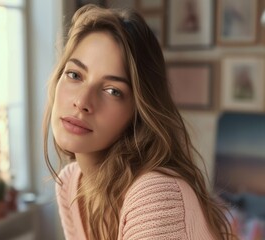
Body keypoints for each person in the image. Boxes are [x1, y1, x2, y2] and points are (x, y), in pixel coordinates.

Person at [43, 4, 235, 240]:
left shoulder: (155, 195)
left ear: (139, 112)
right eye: (74, 75)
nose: (82, 101)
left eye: (112, 90)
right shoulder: (70, 183)